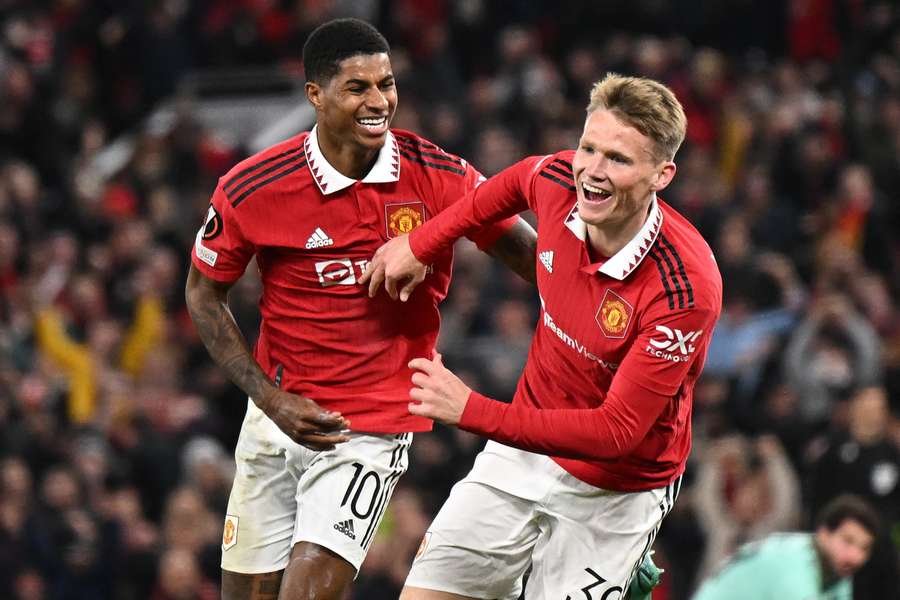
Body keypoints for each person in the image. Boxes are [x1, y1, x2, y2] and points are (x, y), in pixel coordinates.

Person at [184, 18, 536, 600]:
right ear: (315, 96)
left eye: (387, 83)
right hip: (276, 417)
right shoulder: (255, 187)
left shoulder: (438, 177)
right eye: (358, 88)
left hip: (369, 428)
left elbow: (535, 260)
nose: (379, 101)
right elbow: (202, 292)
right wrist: (268, 399)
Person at [362, 73, 723, 599]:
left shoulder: (685, 288)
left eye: (618, 160)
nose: (592, 173)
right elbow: (492, 195)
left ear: (661, 175)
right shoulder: (556, 180)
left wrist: (471, 410)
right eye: (588, 148)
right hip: (524, 452)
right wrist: (420, 244)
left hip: (619, 488)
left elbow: (615, 432)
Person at [692, 495, 879, 599]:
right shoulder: (793, 565)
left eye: (864, 548)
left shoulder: (838, 571)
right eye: (848, 541)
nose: (855, 556)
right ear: (824, 533)